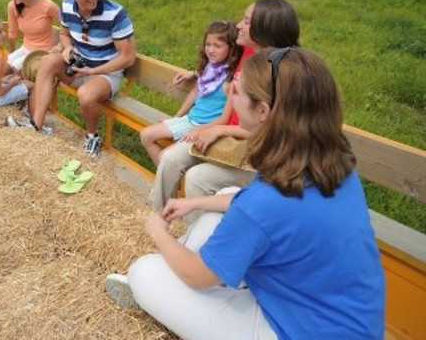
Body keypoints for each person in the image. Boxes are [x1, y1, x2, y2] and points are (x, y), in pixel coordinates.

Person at [105, 48, 385, 340]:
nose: (231, 94)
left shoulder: (267, 200)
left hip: (291, 330)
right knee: (227, 193)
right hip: (343, 320)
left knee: (144, 272)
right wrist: (195, 202)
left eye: (237, 91)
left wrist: (157, 232)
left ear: (263, 110)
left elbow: (198, 275)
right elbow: (250, 205)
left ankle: (172, 276)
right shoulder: (333, 162)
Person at [149, 0, 300, 210]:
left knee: (197, 177)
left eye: (246, 21)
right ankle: (160, 215)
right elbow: (222, 76)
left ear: (264, 29)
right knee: (170, 159)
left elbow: (271, 132)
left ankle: (195, 238)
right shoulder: (247, 53)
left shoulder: (281, 74)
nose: (238, 25)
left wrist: (217, 129)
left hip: (256, 152)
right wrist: (196, 75)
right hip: (227, 134)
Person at [7, 0, 136, 157]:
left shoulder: (115, 13)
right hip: (78, 65)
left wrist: (92, 71)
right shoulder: (67, 5)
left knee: (85, 94)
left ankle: (92, 137)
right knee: (47, 61)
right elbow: (65, 35)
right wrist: (67, 48)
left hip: (106, 73)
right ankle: (36, 124)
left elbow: (128, 58)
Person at [139, 20, 241, 166]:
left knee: (165, 157)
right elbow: (195, 92)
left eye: (217, 46)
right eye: (208, 44)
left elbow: (224, 119)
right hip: (189, 120)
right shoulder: (208, 69)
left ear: (231, 49)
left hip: (207, 128)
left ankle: (170, 182)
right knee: (146, 135)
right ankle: (170, 179)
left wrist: (199, 129)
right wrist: (176, 117)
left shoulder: (229, 81)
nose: (210, 50)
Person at [5, 0, 60, 70]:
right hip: (26, 48)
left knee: (15, 66)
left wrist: (60, 46)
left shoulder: (48, 6)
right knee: (7, 62)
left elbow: (67, 26)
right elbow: (12, 33)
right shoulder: (12, 6)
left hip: (44, 51)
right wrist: (11, 53)